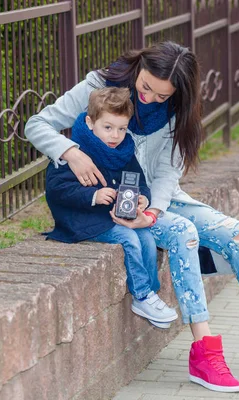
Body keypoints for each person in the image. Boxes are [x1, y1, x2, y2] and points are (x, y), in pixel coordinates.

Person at [25, 41, 239, 393]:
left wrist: (152, 211)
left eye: (161, 95)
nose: (149, 99)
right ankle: (204, 350)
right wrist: (70, 152)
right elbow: (38, 123)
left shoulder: (176, 110)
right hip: (103, 202)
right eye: (145, 88)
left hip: (157, 201)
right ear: (140, 67)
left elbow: (169, 173)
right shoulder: (99, 86)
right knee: (183, 233)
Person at [43, 86, 178, 328]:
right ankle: (142, 295)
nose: (115, 135)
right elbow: (57, 189)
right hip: (82, 220)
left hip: (113, 216)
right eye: (108, 127)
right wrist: (93, 195)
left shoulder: (124, 150)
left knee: (145, 236)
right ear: (90, 122)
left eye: (122, 129)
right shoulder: (74, 153)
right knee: (129, 238)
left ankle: (151, 294)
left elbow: (140, 181)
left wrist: (143, 199)